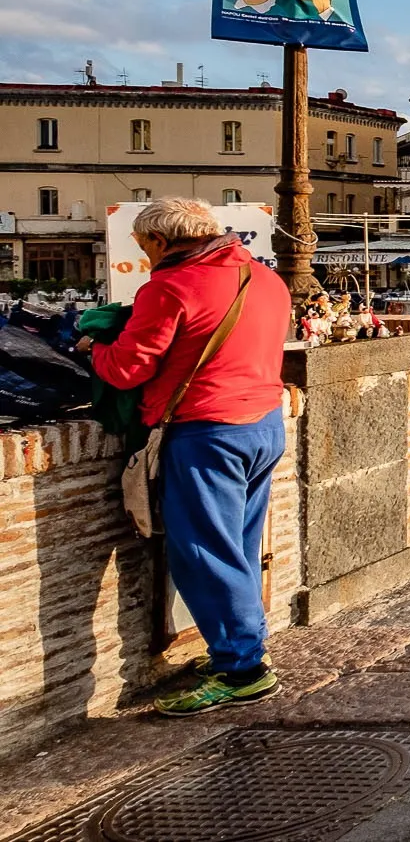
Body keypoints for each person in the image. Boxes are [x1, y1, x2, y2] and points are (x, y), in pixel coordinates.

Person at [86, 198, 290, 717]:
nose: (145, 256)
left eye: (143, 246)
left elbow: (127, 369)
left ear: (160, 240)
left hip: (207, 433)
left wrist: (93, 348)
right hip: (264, 425)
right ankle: (242, 647)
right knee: (238, 548)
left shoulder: (170, 286)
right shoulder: (265, 278)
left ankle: (242, 670)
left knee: (204, 554)